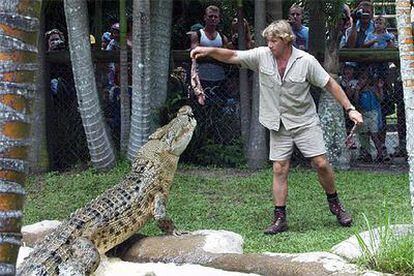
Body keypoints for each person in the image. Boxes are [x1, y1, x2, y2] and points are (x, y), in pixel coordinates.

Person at [190, 20, 363, 234]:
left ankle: (335, 204)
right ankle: (280, 218)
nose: (270, 45)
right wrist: (207, 50)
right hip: (278, 123)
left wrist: (350, 109)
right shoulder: (262, 56)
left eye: (273, 41)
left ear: (286, 40)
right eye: (268, 41)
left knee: (321, 164)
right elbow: (234, 56)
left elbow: (330, 84)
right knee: (280, 168)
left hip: (305, 121)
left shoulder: (305, 61)